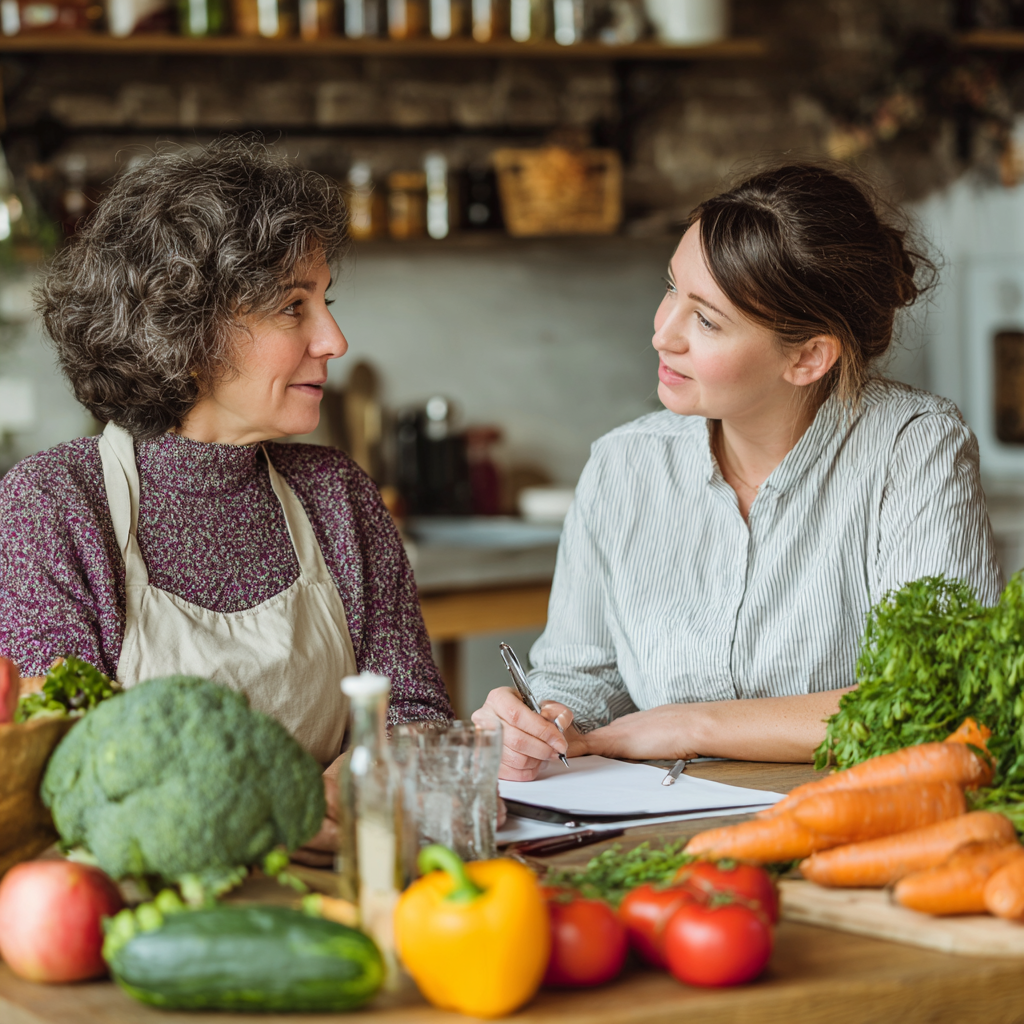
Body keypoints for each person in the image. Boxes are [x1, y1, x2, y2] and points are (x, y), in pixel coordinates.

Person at [474, 163, 1003, 782]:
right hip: (656, 829)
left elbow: (938, 701)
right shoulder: (623, 464)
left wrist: (690, 725)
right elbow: (582, 674)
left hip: (852, 819)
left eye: (706, 319)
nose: (662, 334)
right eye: (671, 288)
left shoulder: (915, 448)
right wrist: (543, 720)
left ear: (807, 356)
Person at [0, 139, 452, 860]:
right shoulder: (54, 504)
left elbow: (417, 715)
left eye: (324, 302)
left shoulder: (337, 495)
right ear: (186, 332)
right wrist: (285, 813)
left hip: (336, 895)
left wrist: (376, 771)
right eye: (291, 308)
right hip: (147, 910)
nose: (333, 339)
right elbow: (70, 763)